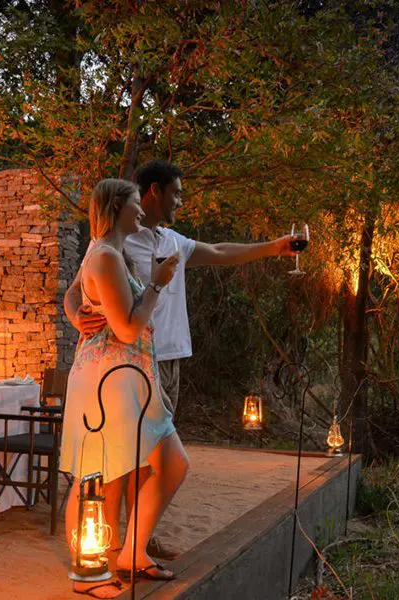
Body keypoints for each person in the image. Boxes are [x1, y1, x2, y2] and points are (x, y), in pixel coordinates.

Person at [64, 160, 297, 560]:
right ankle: (115, 547)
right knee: (119, 463)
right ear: (153, 192)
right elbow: (78, 290)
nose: (181, 200)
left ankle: (136, 544)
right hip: (120, 367)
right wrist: (74, 315)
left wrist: (274, 247)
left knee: (144, 457)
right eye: (176, 192)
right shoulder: (112, 245)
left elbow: (222, 252)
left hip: (164, 359)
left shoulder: (171, 241)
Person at [60, 178, 188, 598]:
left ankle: (132, 553)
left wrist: (75, 312)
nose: (141, 211)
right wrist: (157, 283)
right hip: (109, 380)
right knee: (96, 477)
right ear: (118, 207)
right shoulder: (106, 257)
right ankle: (88, 572)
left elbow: (74, 293)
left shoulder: (106, 254)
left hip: (131, 379)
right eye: (136, 204)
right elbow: (129, 330)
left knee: (170, 463)